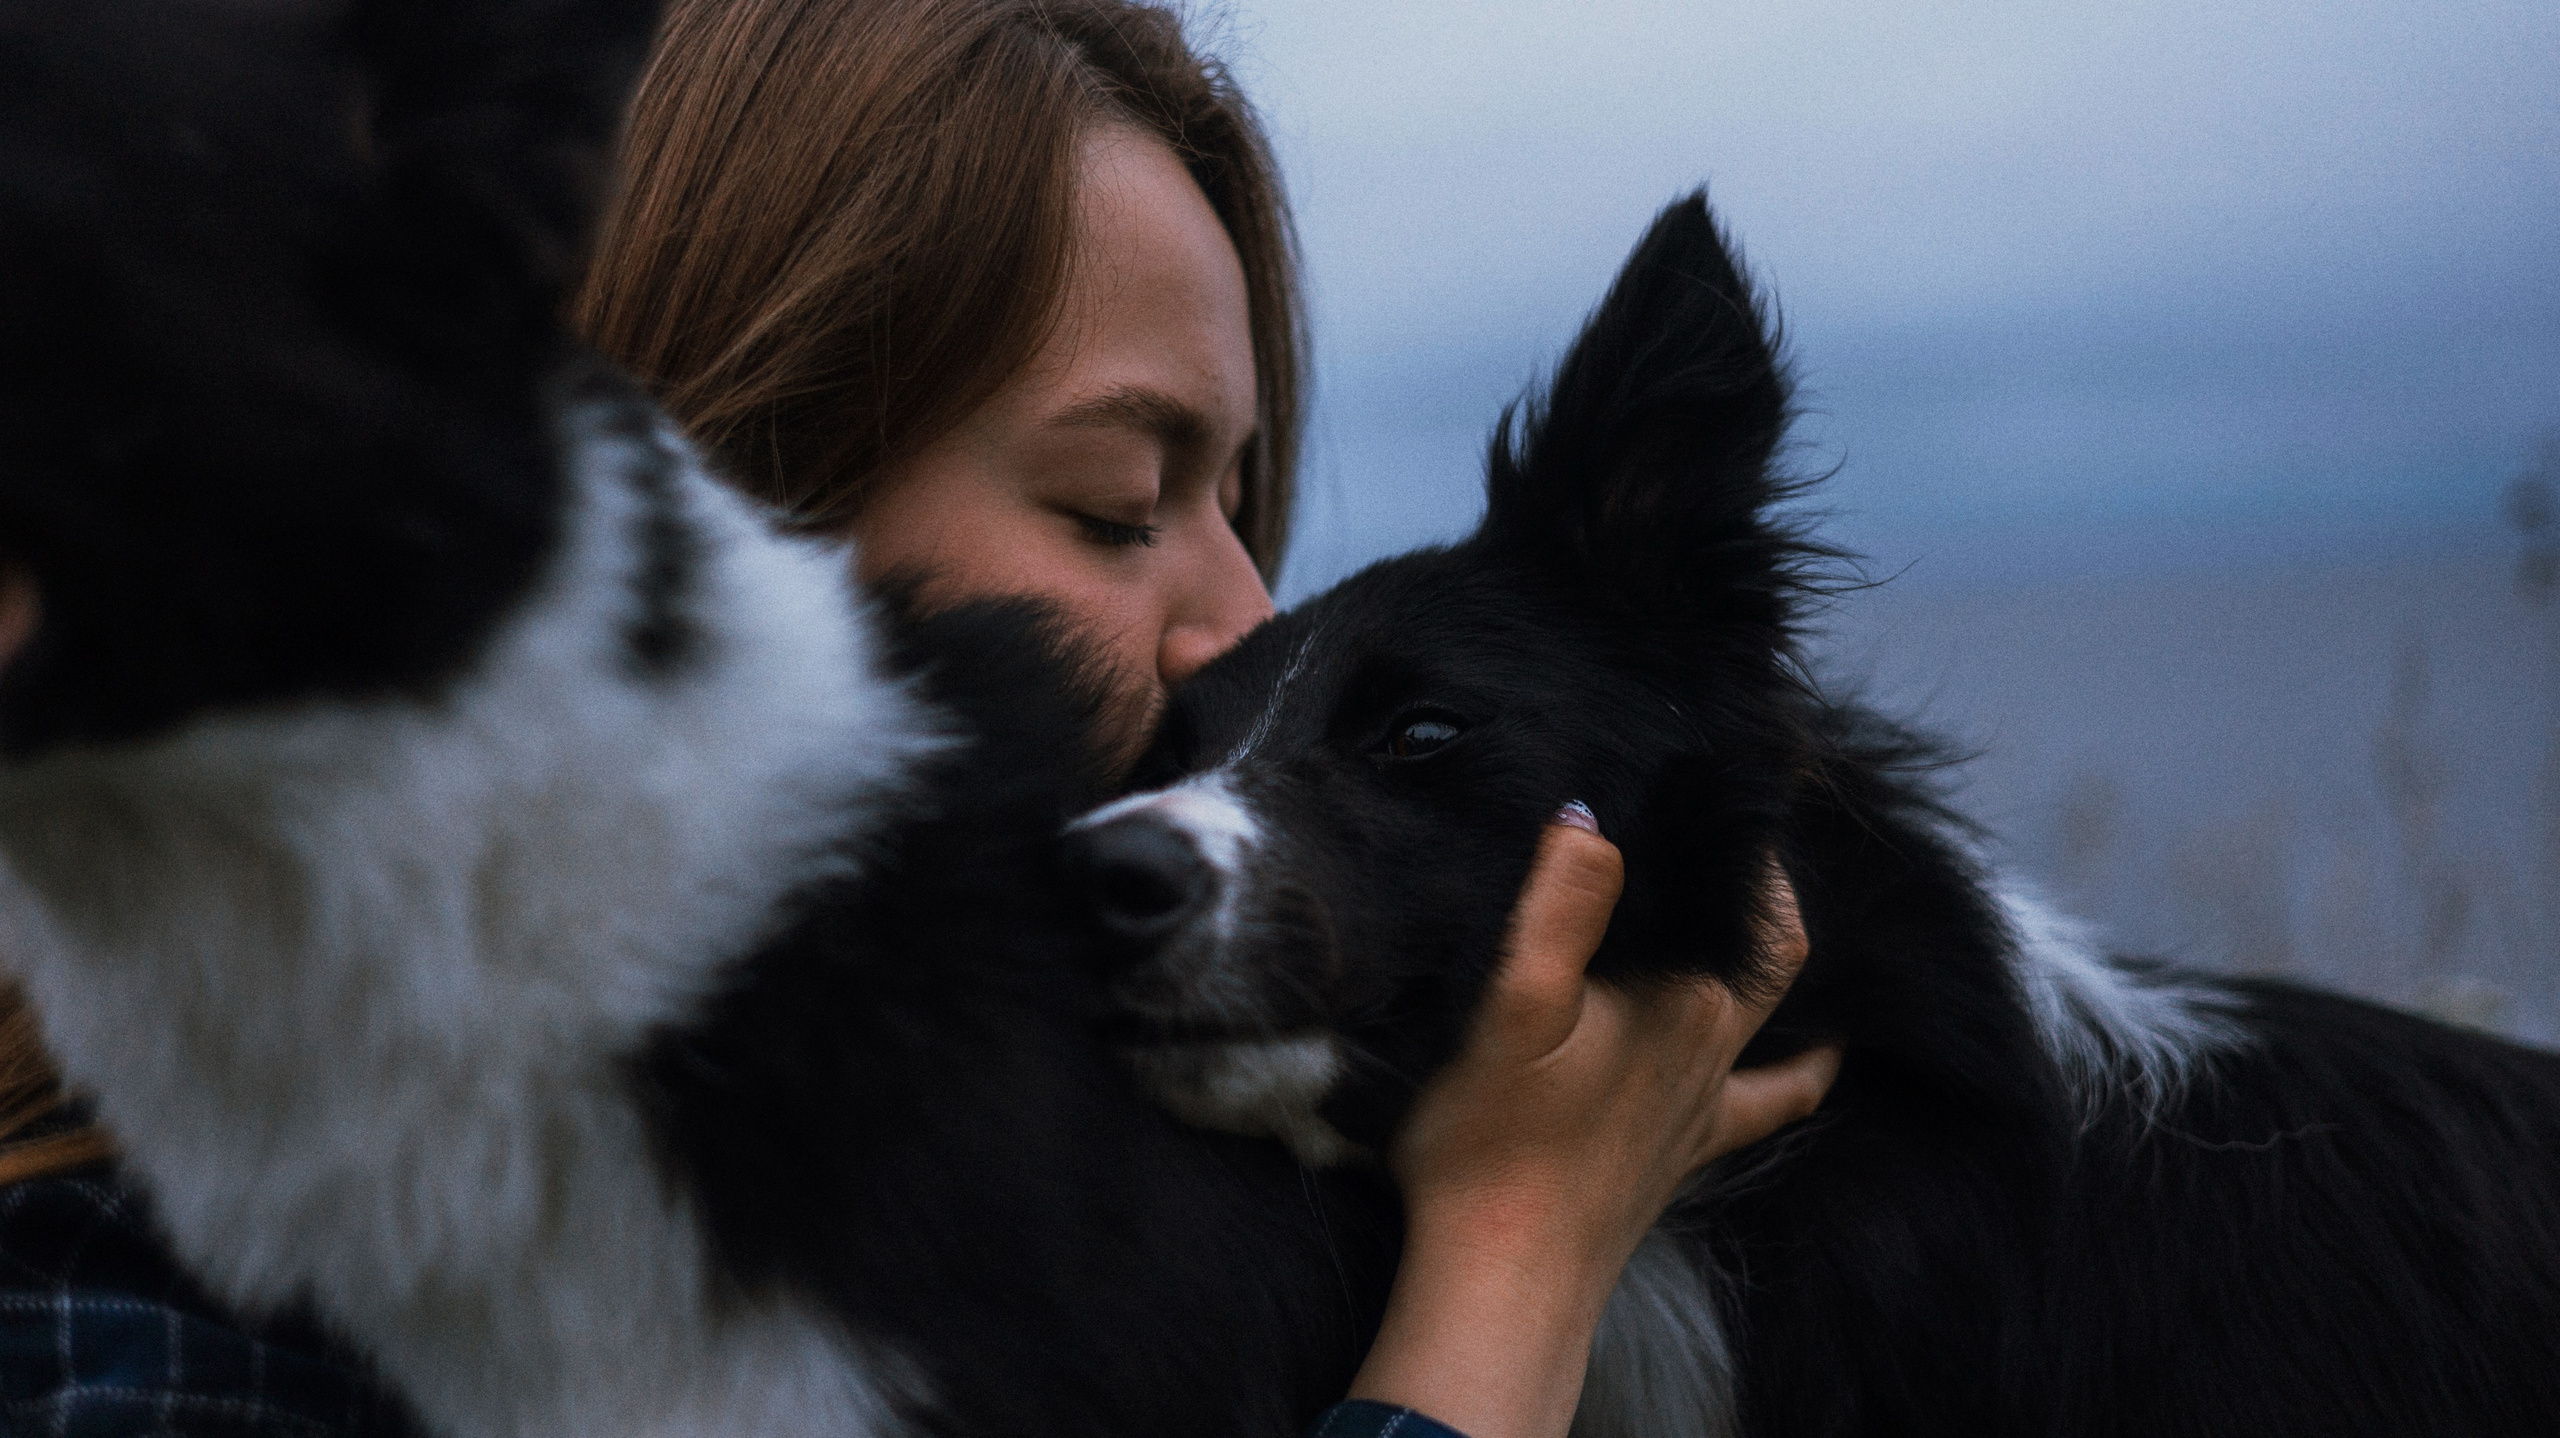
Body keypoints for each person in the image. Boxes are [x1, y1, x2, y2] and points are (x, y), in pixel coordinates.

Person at [0, 1, 1838, 1434]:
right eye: (1118, 506)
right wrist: (1510, 1274)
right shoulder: (173, 1304)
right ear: (731, 487)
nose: (1245, 630)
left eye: (1243, 501)